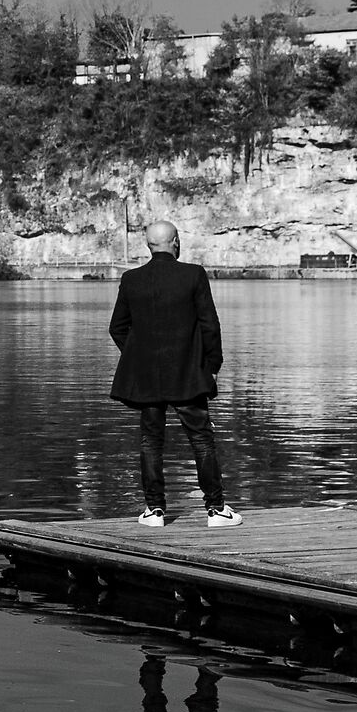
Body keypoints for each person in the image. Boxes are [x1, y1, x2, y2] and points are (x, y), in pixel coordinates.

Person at [109, 219, 239, 526]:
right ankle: (216, 509)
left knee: (151, 442)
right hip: (188, 374)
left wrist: (140, 356)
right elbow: (210, 325)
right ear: (176, 242)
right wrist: (212, 366)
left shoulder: (131, 279)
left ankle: (154, 511)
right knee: (202, 441)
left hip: (148, 377)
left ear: (148, 246)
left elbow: (118, 328)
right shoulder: (193, 274)